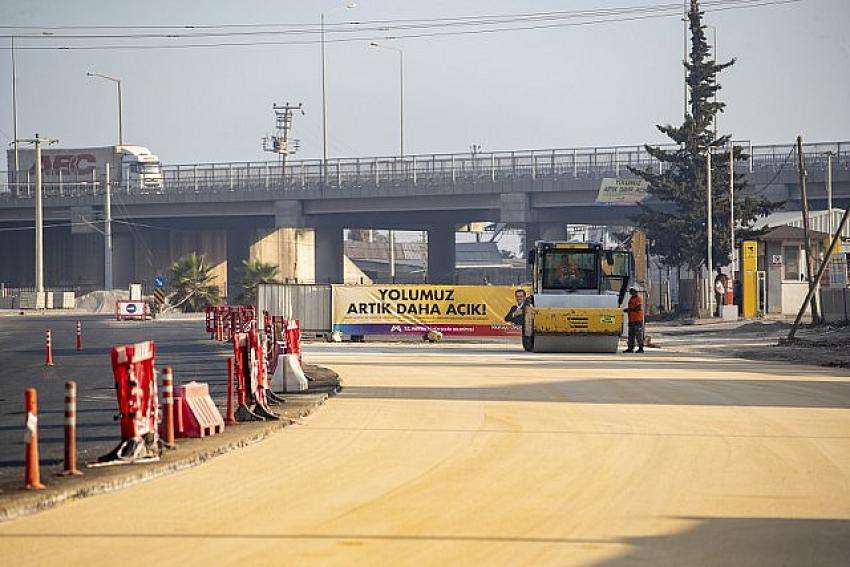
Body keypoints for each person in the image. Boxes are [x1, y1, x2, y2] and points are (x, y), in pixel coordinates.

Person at [623, 286, 644, 353]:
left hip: (637, 320)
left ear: (635, 292)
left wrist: (629, 310)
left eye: (632, 291)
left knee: (638, 335)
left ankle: (641, 348)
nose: (631, 292)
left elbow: (638, 308)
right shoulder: (631, 299)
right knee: (631, 335)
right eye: (631, 291)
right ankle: (630, 348)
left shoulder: (638, 299)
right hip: (631, 320)